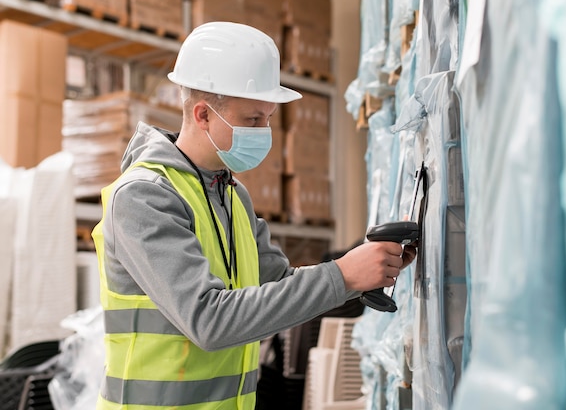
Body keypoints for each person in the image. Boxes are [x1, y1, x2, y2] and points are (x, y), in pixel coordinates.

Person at [91, 21, 416, 410]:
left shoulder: (229, 193)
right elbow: (209, 321)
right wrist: (343, 274)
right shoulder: (143, 197)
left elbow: (279, 285)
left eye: (266, 119)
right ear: (202, 115)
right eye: (252, 120)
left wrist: (364, 273)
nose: (264, 132)